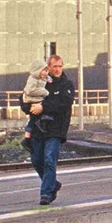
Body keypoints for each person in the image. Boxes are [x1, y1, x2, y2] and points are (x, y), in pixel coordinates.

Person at [28, 54, 74, 206]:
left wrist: (43, 107)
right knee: (36, 160)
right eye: (54, 66)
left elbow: (63, 104)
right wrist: (29, 107)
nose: (58, 69)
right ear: (48, 67)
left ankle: (46, 193)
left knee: (49, 159)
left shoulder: (66, 85)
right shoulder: (39, 81)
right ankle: (53, 184)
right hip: (38, 127)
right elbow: (26, 96)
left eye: (60, 66)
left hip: (56, 128)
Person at [20, 58, 49, 151]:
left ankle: (30, 137)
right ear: (38, 70)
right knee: (33, 120)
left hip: (37, 99)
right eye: (44, 71)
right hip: (31, 101)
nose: (45, 73)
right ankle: (27, 140)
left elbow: (48, 79)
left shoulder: (43, 78)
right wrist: (45, 92)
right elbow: (29, 90)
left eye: (46, 71)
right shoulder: (32, 79)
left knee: (36, 117)